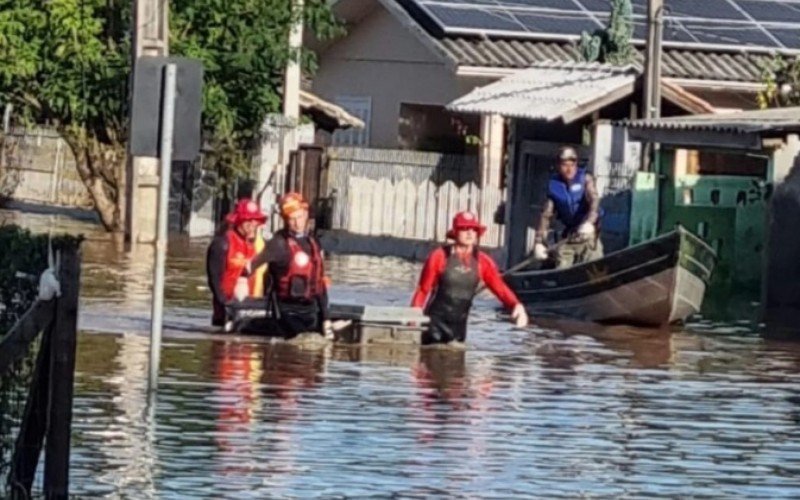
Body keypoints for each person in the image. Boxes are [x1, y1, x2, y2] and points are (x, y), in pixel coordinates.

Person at [411, 211, 529, 345]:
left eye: (473, 229)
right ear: (455, 232)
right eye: (464, 229)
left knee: (457, 362)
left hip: (459, 330)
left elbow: (500, 289)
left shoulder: (482, 262)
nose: (469, 233)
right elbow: (423, 290)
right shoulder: (439, 257)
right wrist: (413, 319)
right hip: (434, 327)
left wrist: (516, 305)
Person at [249, 192, 331, 339]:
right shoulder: (278, 244)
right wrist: (241, 281)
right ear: (285, 220)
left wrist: (326, 318)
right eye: (292, 219)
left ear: (306, 214)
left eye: (300, 217)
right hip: (286, 312)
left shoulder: (314, 243)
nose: (297, 223)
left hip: (311, 310)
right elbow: (251, 266)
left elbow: (320, 285)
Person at [533, 146, 603, 269]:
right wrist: (539, 242)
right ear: (559, 166)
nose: (569, 169)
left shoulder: (585, 179)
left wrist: (590, 222)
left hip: (589, 233)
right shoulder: (553, 186)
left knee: (594, 267)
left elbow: (594, 200)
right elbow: (546, 215)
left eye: (572, 164)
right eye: (565, 165)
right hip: (570, 235)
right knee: (561, 264)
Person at [206, 198, 267, 326]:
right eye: (248, 221)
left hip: (249, 308)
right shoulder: (222, 244)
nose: (252, 225)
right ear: (238, 220)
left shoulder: (254, 245)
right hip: (226, 311)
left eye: (255, 221)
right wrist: (225, 302)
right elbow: (214, 279)